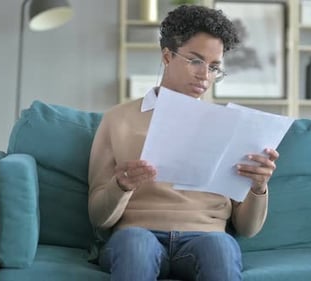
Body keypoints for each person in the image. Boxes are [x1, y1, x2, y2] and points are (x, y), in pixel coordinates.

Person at [88, 5, 279, 281]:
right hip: (136, 234)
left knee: (220, 248)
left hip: (206, 236)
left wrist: (259, 188)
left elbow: (246, 229)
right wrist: (122, 186)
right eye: (195, 61)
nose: (205, 75)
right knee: (136, 246)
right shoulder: (118, 120)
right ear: (167, 56)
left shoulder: (232, 127)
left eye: (214, 67)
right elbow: (98, 217)